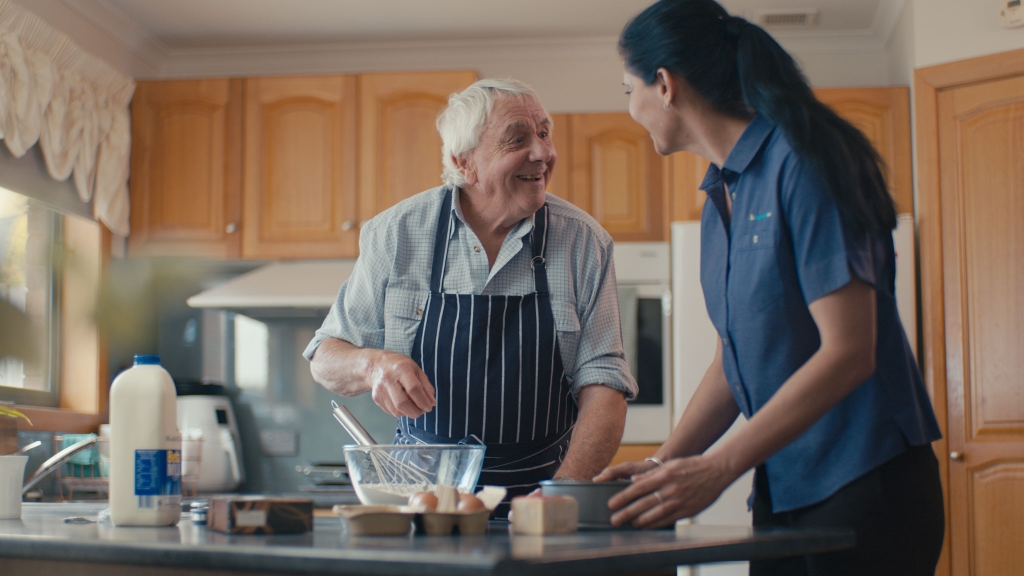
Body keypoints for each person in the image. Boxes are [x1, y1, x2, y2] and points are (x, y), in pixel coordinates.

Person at [594, 1, 944, 574]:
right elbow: (734, 360)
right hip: (785, 491)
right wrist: (665, 463)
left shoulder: (802, 160)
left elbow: (850, 351)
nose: (629, 106)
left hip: (867, 483)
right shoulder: (718, 200)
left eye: (627, 88)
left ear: (664, 85)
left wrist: (720, 466)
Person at [305, 78, 637, 515]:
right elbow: (325, 357)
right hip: (423, 502)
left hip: (544, 494)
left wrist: (564, 493)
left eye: (543, 133)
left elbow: (605, 385)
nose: (542, 153)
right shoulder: (397, 234)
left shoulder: (583, 242)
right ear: (465, 164)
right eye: (517, 139)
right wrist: (373, 364)